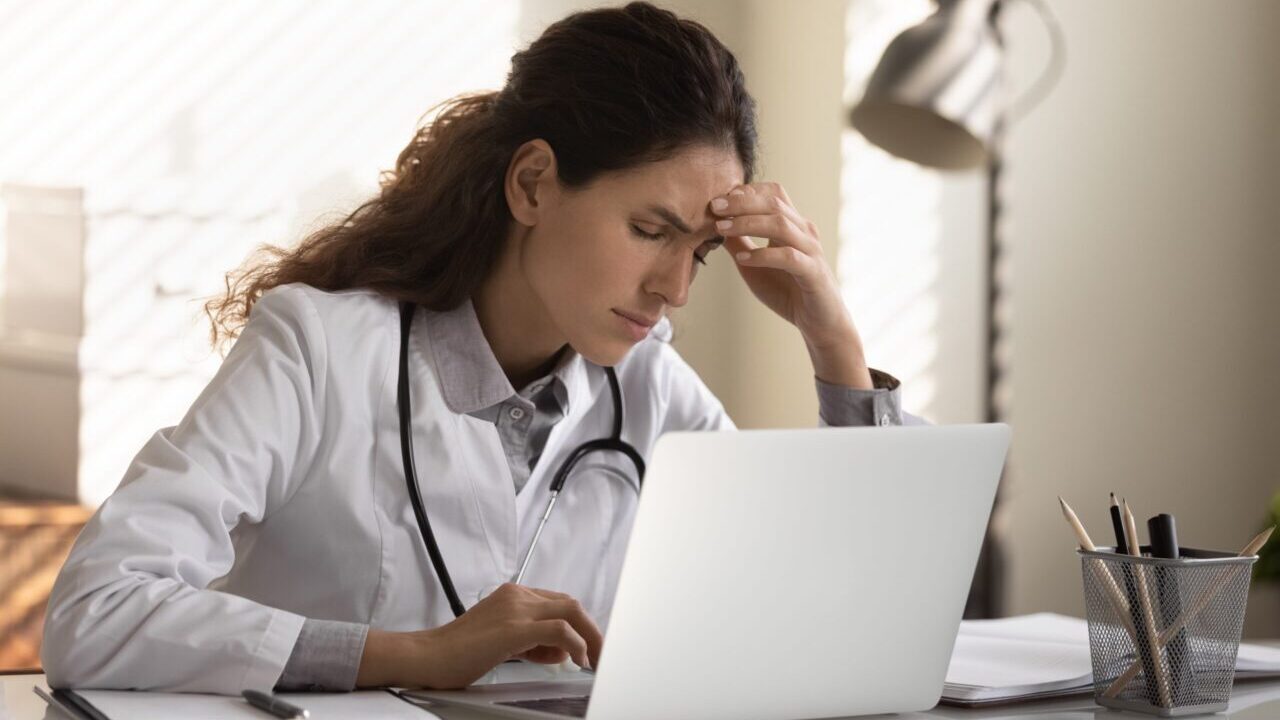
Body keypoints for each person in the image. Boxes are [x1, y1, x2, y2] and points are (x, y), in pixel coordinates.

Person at [41, 1, 920, 696]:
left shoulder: (649, 390)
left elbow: (839, 619)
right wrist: (411, 653)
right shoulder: (318, 349)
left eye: (700, 250)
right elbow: (95, 613)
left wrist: (829, 334)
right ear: (534, 183)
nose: (675, 289)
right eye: (650, 229)